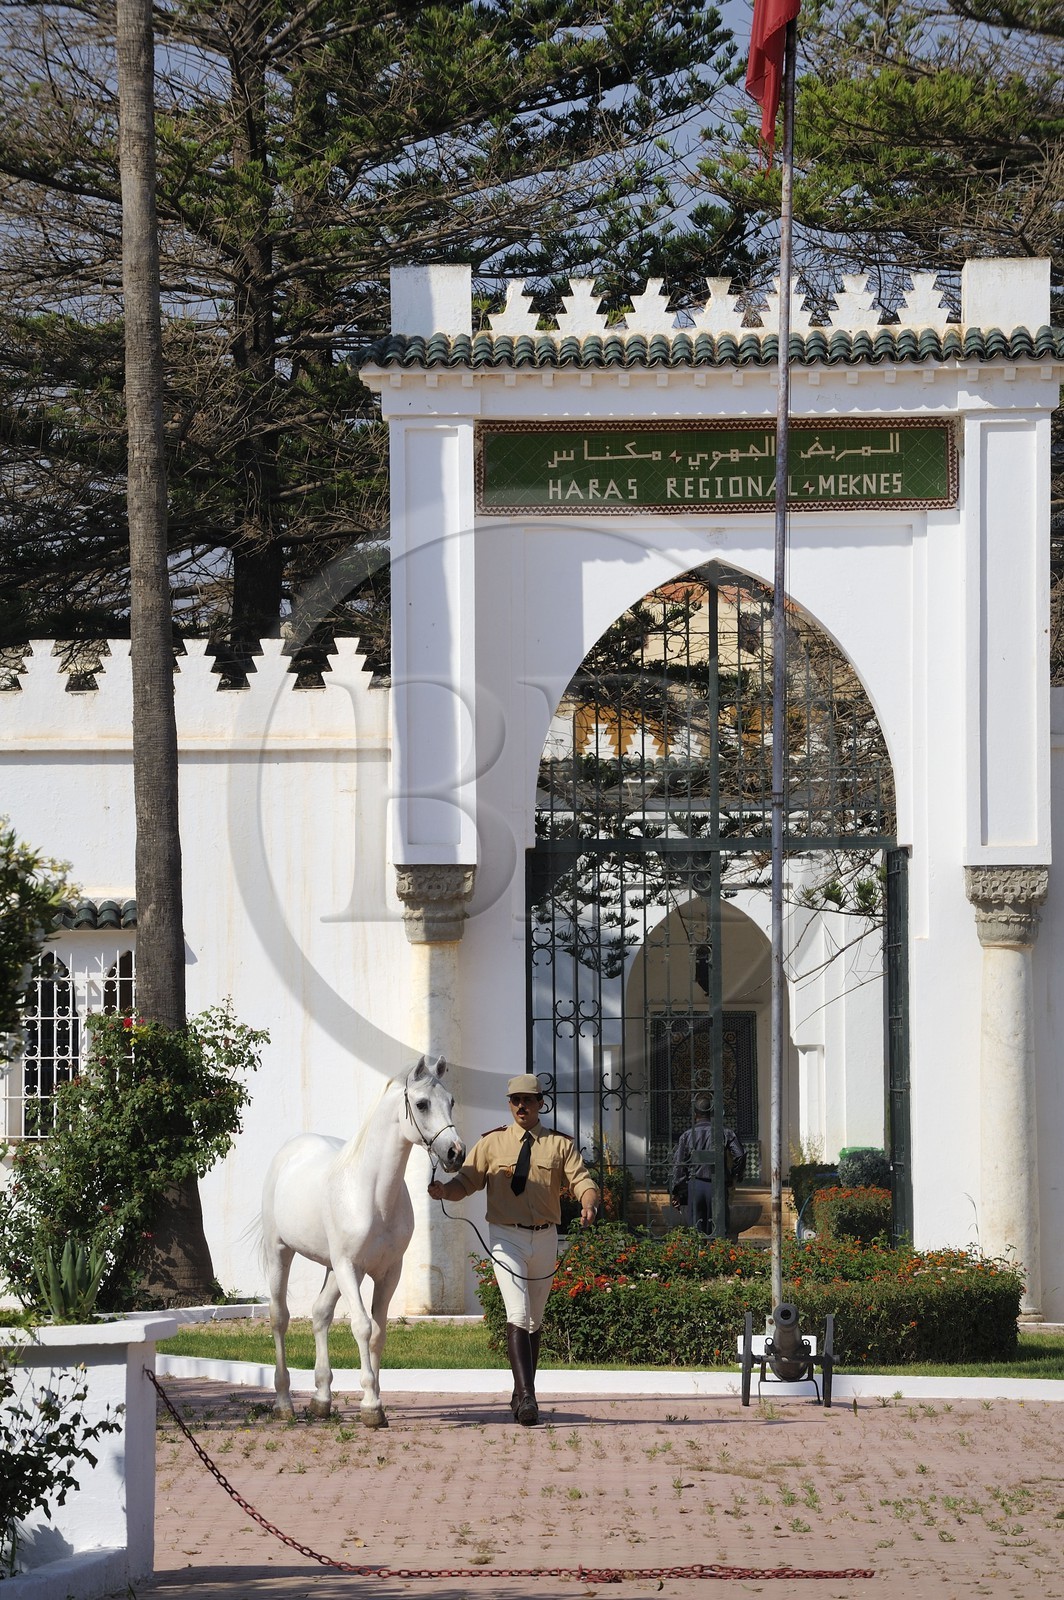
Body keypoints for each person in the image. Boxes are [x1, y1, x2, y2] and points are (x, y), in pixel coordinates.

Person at [427, 1073, 600, 1425]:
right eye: (516, 1100)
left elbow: (582, 1180)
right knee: (518, 1314)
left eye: (529, 1100)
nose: (522, 1106)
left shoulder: (559, 1145)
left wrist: (589, 1203)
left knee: (535, 1320)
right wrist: (446, 1191)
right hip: (507, 1237)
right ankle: (529, 1400)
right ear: (510, 1104)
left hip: (546, 1236)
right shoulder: (492, 1144)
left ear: (540, 1104)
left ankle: (520, 1393)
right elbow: (466, 1181)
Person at [670, 1092, 746, 1236]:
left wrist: (677, 1191)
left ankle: (699, 1256)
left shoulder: (687, 1135)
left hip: (695, 1185)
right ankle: (718, 1255)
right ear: (712, 1112)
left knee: (696, 1231)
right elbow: (740, 1154)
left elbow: (679, 1165)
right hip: (717, 1185)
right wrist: (734, 1175)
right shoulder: (725, 1132)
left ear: (694, 1114)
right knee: (719, 1229)